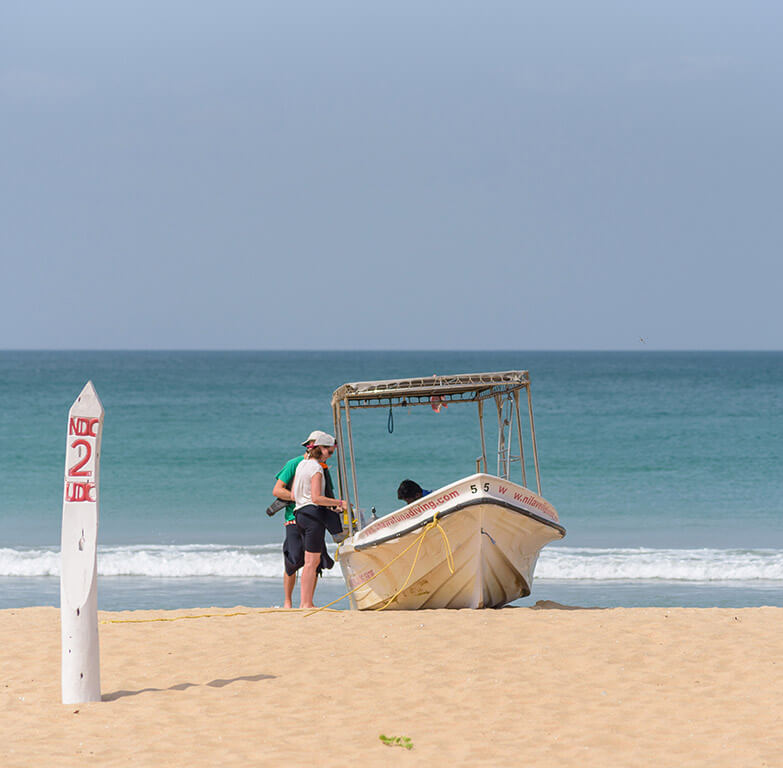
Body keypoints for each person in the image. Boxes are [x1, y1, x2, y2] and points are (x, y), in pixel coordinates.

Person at [272, 430, 336, 609]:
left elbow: (326, 493)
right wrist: (300, 498)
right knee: (293, 560)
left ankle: (308, 600)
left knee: (315, 561)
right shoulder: (295, 464)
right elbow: (277, 490)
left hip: (313, 515)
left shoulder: (321, 467)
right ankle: (288, 602)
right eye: (328, 451)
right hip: (295, 516)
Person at [291, 433, 346, 609]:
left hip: (299, 513)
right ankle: (306, 603)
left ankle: (306, 602)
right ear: (321, 449)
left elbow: (293, 495)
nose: (330, 456)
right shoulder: (316, 468)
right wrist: (339, 503)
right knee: (312, 562)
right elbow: (316, 498)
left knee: (309, 561)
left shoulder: (301, 465)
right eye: (329, 452)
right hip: (312, 515)